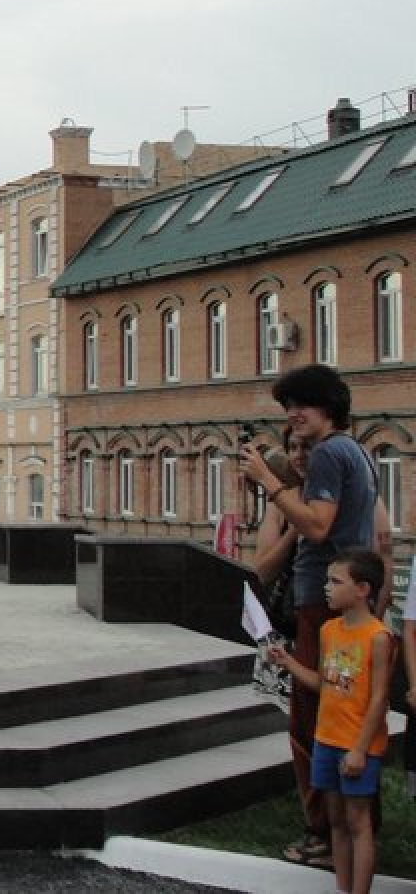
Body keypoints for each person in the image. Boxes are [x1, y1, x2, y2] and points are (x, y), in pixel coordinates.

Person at [241, 363, 378, 869]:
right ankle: (346, 828)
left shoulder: (327, 455)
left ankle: (322, 833)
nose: (293, 416)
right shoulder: (357, 452)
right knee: (340, 712)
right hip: (344, 604)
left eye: (300, 405)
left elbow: (318, 527)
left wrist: (270, 485)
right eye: (287, 408)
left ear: (327, 407)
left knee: (310, 721)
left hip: (322, 606)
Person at [269, 550, 394, 894]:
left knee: (358, 822)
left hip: (358, 745)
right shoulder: (328, 630)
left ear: (362, 589)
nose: (326, 588)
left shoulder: (378, 637)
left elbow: (379, 699)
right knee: (336, 821)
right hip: (326, 738)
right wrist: (289, 663)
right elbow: (327, 684)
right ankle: (341, 888)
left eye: (336, 582)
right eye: (327, 580)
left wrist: (359, 750)